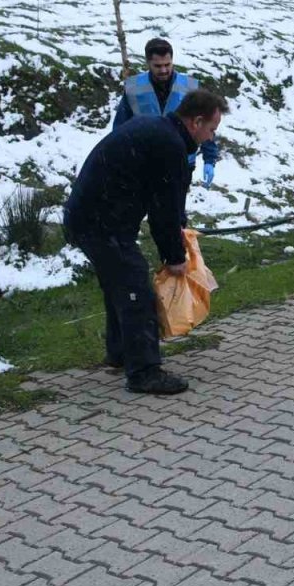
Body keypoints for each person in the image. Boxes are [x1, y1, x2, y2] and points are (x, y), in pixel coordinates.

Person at [64, 89, 228, 395]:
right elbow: (162, 210)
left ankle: (121, 352)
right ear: (196, 121)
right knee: (135, 288)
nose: (210, 138)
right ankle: (144, 372)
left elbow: (165, 198)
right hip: (100, 222)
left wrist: (179, 228)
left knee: (121, 283)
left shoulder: (160, 131)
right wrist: (175, 257)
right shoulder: (168, 144)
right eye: (211, 130)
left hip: (94, 217)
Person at [115, 37, 221, 189]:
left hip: (181, 162)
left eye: (167, 64)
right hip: (144, 162)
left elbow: (204, 125)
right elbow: (120, 127)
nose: (164, 70)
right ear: (148, 63)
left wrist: (209, 159)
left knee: (173, 210)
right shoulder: (133, 88)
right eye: (158, 66)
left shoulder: (190, 87)